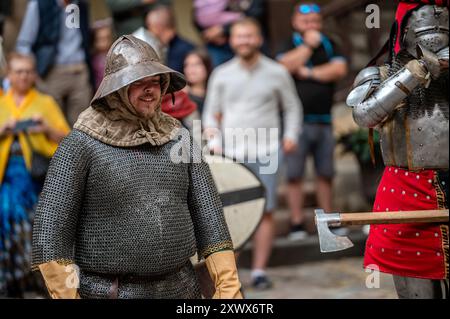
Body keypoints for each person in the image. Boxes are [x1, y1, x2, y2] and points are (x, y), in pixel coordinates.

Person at [31, 35, 243, 299]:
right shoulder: (81, 144)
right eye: (138, 82)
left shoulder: (178, 138)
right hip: (108, 292)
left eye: (155, 82)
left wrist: (228, 288)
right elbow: (51, 230)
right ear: (116, 90)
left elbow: (209, 217)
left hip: (181, 288)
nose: (150, 90)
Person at [347, 0, 449, 299]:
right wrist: (412, 73)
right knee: (414, 284)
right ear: (404, 34)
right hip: (406, 189)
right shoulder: (379, 75)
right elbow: (364, 115)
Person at [203, 18, 302, 289]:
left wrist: (291, 136)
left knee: (266, 210)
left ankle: (259, 270)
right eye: (239, 36)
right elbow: (211, 112)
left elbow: (292, 107)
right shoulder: (221, 73)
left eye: (249, 36)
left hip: (268, 151)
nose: (244, 41)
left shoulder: (277, 72)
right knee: (229, 213)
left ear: (259, 39)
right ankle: (230, 274)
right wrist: (214, 142)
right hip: (230, 153)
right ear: (232, 40)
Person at [0, 53, 69, 298]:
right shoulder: (1, 103)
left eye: (28, 71)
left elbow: (68, 140)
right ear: (9, 74)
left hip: (36, 178)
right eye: (18, 71)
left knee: (37, 227)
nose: (24, 76)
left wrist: (46, 128)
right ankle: (12, 280)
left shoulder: (44, 102)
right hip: (6, 177)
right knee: (6, 215)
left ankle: (38, 280)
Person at [277, 2, 348, 240]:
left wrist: (307, 73)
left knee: (326, 174)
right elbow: (283, 67)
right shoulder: (287, 43)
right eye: (305, 21)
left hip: (325, 120)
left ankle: (329, 224)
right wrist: (308, 46)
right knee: (295, 175)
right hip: (295, 124)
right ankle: (297, 224)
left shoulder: (331, 43)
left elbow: (338, 70)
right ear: (295, 22)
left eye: (315, 21)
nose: (311, 25)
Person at [15, 0, 93, 126]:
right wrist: (32, 71)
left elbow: (83, 38)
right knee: (53, 124)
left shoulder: (80, 6)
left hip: (79, 71)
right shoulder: (40, 5)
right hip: (51, 72)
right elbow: (24, 43)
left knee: (83, 126)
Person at [193, 0, 267, 67]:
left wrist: (222, 30)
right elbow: (196, 17)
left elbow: (255, 13)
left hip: (243, 38)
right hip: (215, 44)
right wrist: (208, 34)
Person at [141, 5, 195, 73]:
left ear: (158, 27)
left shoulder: (183, 50)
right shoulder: (167, 47)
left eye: (149, 26)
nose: (149, 31)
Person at [183, 49, 213, 116]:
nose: (191, 69)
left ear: (207, 67)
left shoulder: (214, 93)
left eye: (197, 64)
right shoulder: (181, 95)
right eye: (187, 65)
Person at [91, 19, 114, 91]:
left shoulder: (114, 55)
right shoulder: (94, 60)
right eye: (101, 39)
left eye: (107, 38)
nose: (105, 42)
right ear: (95, 42)